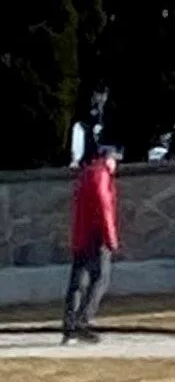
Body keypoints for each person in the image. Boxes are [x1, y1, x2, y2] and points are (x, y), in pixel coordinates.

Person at [63, 145, 120, 344]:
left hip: (82, 235)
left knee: (78, 281)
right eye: (114, 159)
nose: (115, 164)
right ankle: (83, 321)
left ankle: (70, 328)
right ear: (107, 159)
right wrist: (111, 238)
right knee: (101, 278)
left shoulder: (86, 174)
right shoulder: (101, 175)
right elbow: (104, 206)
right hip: (97, 236)